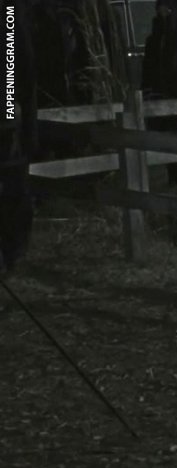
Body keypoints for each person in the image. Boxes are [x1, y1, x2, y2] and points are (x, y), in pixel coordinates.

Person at [1, 0, 38, 274]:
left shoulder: (10, 17)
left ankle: (11, 251)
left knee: (13, 189)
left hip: (7, 121)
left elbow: (19, 71)